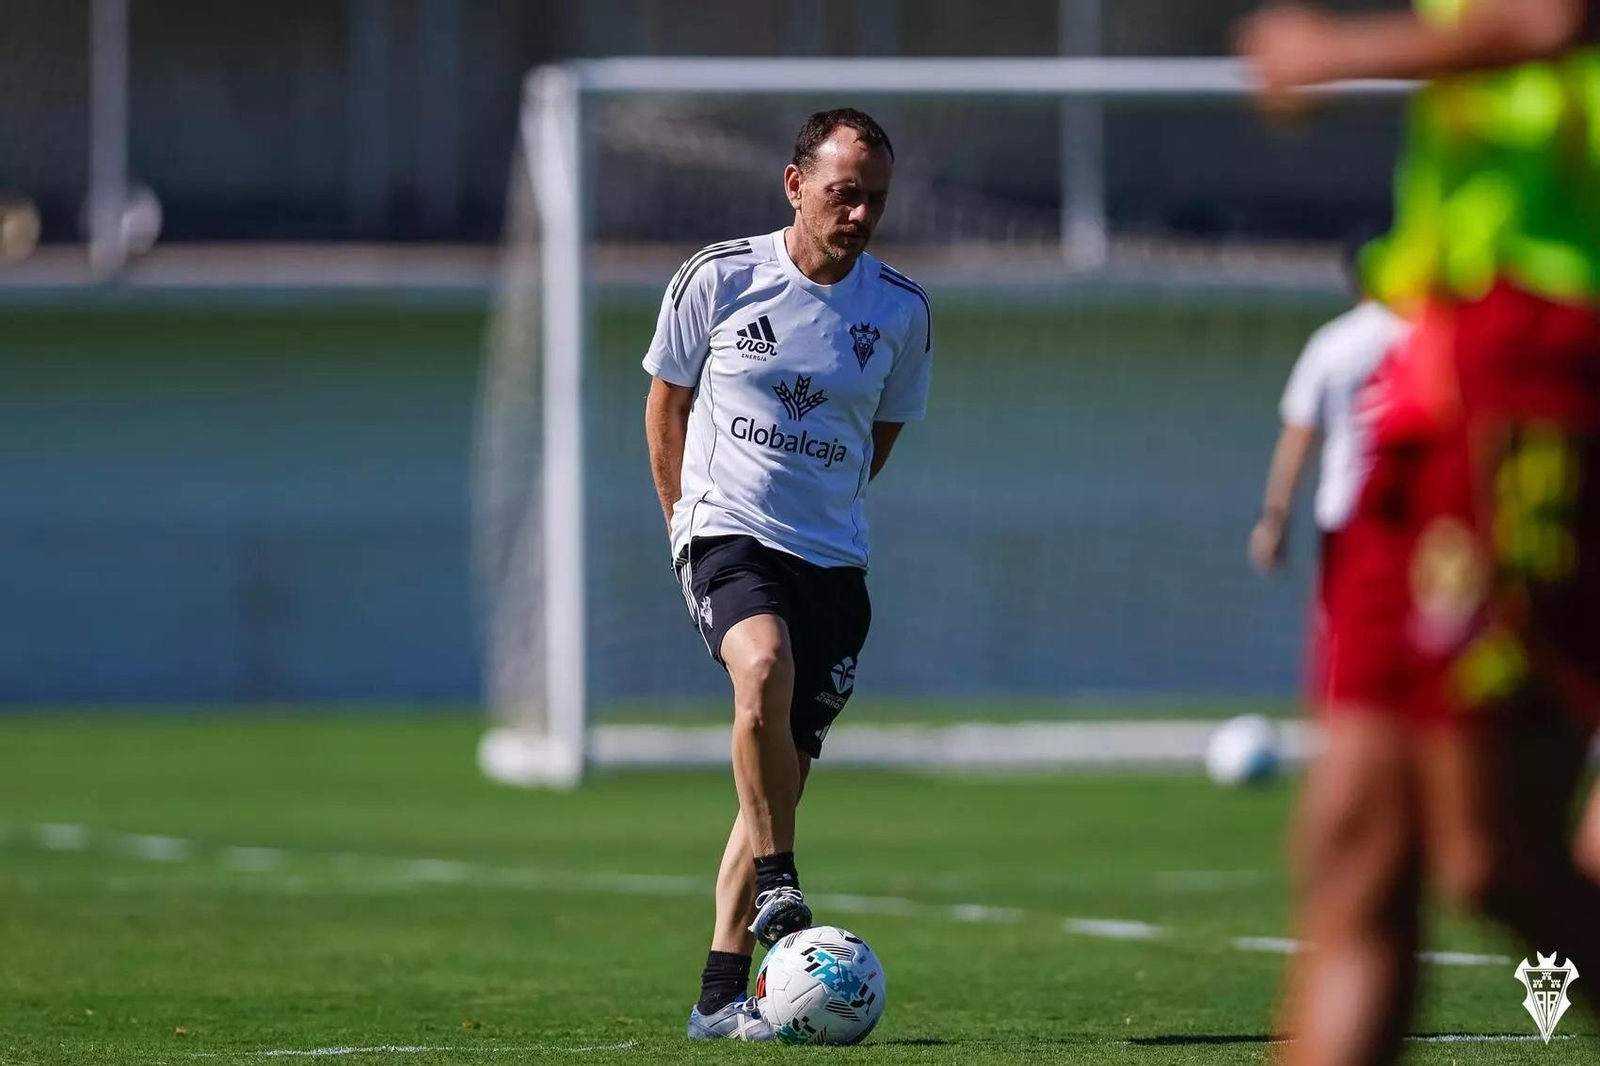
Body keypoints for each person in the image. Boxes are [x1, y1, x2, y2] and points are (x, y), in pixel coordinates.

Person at [1243, 2, 1600, 1062]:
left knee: (1494, 856)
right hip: (1432, 363)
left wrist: (1332, 56)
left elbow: (1551, 20)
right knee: (1352, 847)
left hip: (1533, 352)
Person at [641, 108, 933, 1041]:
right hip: (724, 534)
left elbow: (875, 438)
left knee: (776, 785)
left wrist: (822, 505)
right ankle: (782, 888)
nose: (859, 216)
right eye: (844, 194)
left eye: (874, 200)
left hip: (835, 568)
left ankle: (720, 996)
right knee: (761, 668)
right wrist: (682, 522)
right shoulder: (718, 278)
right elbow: (666, 404)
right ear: (795, 184)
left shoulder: (902, 311)